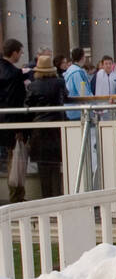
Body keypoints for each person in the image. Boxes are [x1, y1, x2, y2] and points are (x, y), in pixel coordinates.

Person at [25, 55, 68, 199]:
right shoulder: (59, 82)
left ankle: (46, 198)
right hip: (56, 127)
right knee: (56, 166)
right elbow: (66, 98)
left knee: (42, 167)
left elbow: (28, 105)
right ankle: (57, 197)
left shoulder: (33, 85)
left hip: (39, 129)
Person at [0, 38, 28, 203]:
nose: (21, 55)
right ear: (15, 52)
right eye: (20, 52)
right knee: (14, 161)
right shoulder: (15, 74)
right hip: (11, 122)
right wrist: (20, 129)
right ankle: (16, 196)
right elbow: (17, 100)